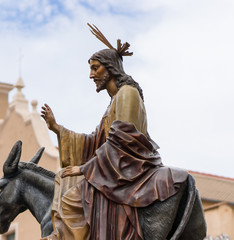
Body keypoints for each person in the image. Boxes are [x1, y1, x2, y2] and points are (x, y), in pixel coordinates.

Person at [40, 25, 188, 240]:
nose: (91, 75)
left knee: (73, 200)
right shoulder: (113, 102)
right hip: (114, 165)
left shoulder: (128, 93)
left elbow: (123, 142)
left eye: (95, 68)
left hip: (130, 167)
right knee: (63, 180)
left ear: (109, 68)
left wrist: (84, 168)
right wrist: (58, 129)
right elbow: (96, 142)